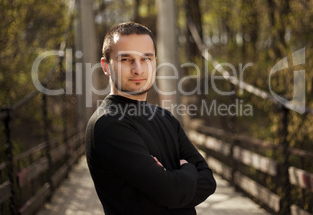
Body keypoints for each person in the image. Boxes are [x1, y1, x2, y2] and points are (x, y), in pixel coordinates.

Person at [85, 22, 216, 214]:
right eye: (126, 59)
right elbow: (172, 193)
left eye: (146, 58)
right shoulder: (107, 124)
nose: (138, 69)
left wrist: (174, 182)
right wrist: (188, 171)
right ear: (106, 66)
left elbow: (209, 180)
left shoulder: (165, 117)